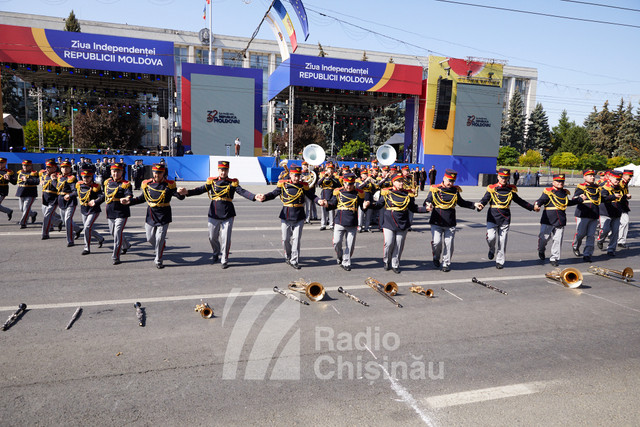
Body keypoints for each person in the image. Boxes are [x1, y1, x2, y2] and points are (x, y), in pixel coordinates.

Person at [178, 160, 256, 268]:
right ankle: (216, 252)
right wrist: (187, 192)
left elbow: (242, 191)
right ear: (218, 170)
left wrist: (254, 196)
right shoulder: (212, 182)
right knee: (212, 237)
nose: (223, 172)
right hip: (214, 213)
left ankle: (224, 259)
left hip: (228, 213)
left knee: (226, 238)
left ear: (228, 170)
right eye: (221, 170)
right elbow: (200, 190)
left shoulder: (232, 183)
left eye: (225, 170)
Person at [256, 165, 322, 269]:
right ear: (290, 175)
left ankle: (294, 260)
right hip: (286, 214)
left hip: (299, 215)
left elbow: (311, 195)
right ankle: (288, 255)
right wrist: (265, 197)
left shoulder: (303, 185)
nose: (297, 178)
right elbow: (274, 193)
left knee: (296, 239)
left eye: (299, 176)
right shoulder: (284, 185)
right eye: (295, 175)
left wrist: (319, 200)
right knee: (285, 239)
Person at [476, 168, 537, 269]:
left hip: (505, 218)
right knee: (491, 237)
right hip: (492, 217)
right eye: (502, 177)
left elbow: (520, 201)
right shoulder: (492, 188)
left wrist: (532, 208)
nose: (504, 179)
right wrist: (481, 205)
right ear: (498, 177)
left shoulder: (511, 190)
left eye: (506, 178)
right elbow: (485, 199)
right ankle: (491, 249)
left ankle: (500, 261)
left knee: (502, 241)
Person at [128, 163, 185, 268]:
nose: (157, 175)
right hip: (151, 214)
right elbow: (142, 198)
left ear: (163, 173)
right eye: (155, 172)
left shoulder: (169, 184)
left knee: (159, 238)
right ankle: (160, 247)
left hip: (164, 214)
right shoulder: (147, 184)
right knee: (149, 238)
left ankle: (158, 259)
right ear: (152, 172)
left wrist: (181, 193)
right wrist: (129, 202)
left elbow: (178, 196)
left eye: (160, 173)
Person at [424, 168, 478, 272]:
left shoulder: (455, 190)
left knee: (449, 244)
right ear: (444, 178)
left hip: (450, 222)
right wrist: (428, 204)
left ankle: (446, 263)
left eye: (452, 181)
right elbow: (428, 200)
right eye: (449, 180)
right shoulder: (435, 189)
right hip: (437, 220)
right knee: (437, 242)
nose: (451, 183)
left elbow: (462, 202)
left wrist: (474, 204)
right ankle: (436, 257)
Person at [374, 173, 425, 273]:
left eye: (402, 181)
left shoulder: (408, 194)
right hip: (389, 222)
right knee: (388, 243)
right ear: (393, 182)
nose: (401, 183)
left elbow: (413, 208)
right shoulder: (387, 193)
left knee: (399, 244)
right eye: (399, 181)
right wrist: (368, 205)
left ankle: (395, 263)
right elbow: (378, 205)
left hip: (402, 222)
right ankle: (386, 260)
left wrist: (425, 209)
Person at [321, 173, 370, 271]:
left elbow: (362, 205)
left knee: (350, 244)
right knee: (336, 242)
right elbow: (333, 204)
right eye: (347, 183)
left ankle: (346, 262)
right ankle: (340, 256)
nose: (348, 186)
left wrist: (365, 206)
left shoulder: (359, 193)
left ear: (354, 184)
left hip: (352, 222)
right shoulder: (338, 192)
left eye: (351, 184)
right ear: (343, 182)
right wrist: (327, 204)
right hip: (340, 220)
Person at [534, 173, 584, 266]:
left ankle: (554, 258)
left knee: (557, 240)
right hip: (548, 219)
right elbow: (541, 200)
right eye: (558, 181)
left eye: (562, 181)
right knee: (543, 238)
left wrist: (579, 200)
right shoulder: (548, 191)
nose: (560, 183)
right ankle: (541, 250)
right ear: (553, 182)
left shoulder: (564, 192)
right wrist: (537, 204)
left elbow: (567, 203)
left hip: (560, 220)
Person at [104, 163, 133, 265]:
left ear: (122, 172)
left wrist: (127, 198)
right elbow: (104, 195)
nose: (116, 173)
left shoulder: (126, 183)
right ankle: (126, 245)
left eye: (118, 171)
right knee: (113, 232)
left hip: (121, 211)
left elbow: (129, 194)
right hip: (111, 210)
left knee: (117, 233)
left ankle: (116, 256)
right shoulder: (107, 182)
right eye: (114, 171)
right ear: (111, 172)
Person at [571, 169, 601, 263]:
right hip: (583, 214)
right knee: (580, 234)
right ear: (584, 177)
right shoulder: (581, 187)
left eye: (593, 175)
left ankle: (587, 254)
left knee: (591, 235)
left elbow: (600, 199)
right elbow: (574, 198)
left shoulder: (597, 187)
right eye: (590, 175)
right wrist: (578, 198)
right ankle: (575, 246)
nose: (592, 177)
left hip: (594, 214)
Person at [75, 165, 105, 255]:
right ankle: (100, 238)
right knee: (87, 228)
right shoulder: (80, 185)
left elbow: (102, 196)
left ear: (91, 177)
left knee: (87, 227)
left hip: (94, 210)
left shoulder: (96, 186)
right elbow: (75, 193)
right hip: (84, 209)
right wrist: (68, 196)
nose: (86, 179)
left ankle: (86, 248)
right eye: (84, 177)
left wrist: (95, 201)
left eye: (88, 177)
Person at [596, 170, 626, 257]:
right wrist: (613, 196)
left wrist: (625, 197)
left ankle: (611, 249)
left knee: (615, 231)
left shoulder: (619, 187)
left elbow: (620, 198)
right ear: (610, 177)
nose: (617, 181)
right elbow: (602, 198)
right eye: (616, 179)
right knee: (605, 229)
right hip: (605, 211)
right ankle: (600, 240)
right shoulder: (603, 186)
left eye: (619, 179)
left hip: (616, 212)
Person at [55, 160, 82, 247]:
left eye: (67, 167)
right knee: (65, 221)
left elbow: (76, 191)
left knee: (67, 220)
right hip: (61, 200)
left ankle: (70, 240)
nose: (65, 169)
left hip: (70, 201)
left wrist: (69, 195)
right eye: (63, 167)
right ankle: (77, 229)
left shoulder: (72, 178)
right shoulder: (59, 177)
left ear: (70, 168)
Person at [39, 159, 63, 239]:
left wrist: (54, 180)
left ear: (55, 168)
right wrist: (40, 182)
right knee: (47, 215)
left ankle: (45, 234)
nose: (47, 169)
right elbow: (37, 180)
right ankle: (59, 222)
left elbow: (59, 187)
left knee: (47, 216)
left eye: (49, 167)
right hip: (45, 198)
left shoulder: (59, 176)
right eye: (47, 167)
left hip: (53, 199)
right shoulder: (44, 174)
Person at [317, 161, 341, 230]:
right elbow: (319, 183)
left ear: (333, 170)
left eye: (331, 169)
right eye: (329, 169)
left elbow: (338, 184)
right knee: (323, 209)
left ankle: (331, 225)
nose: (330, 170)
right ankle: (323, 224)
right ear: (326, 169)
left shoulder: (335, 177)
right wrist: (324, 177)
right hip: (324, 193)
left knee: (331, 210)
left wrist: (331, 178)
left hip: (331, 193)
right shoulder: (323, 175)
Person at [16, 159, 38, 228]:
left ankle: (23, 222)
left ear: (30, 166)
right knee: (22, 209)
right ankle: (33, 214)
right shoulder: (20, 172)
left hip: (30, 193)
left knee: (26, 208)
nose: (25, 167)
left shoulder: (34, 173)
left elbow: (37, 181)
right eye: (24, 165)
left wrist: (28, 180)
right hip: (22, 192)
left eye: (27, 165)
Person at [356, 168, 377, 232]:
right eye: (364, 174)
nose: (365, 175)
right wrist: (365, 182)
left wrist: (373, 183)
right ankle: (360, 226)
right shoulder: (358, 181)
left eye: (366, 174)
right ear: (361, 175)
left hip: (369, 198)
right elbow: (358, 188)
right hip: (362, 198)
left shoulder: (369, 181)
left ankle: (367, 227)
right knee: (361, 213)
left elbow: (374, 190)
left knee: (369, 213)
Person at [617, 169, 634, 249]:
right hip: (617, 204)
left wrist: (626, 197)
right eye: (629, 176)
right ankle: (603, 237)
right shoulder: (619, 182)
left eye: (631, 176)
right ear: (624, 175)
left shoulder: (625, 183)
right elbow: (618, 194)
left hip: (623, 205)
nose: (630, 178)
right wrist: (625, 196)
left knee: (625, 222)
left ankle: (621, 241)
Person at [0, 157, 16, 221]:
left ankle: (8, 211)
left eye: (2, 163)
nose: (0, 164)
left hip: (2, 190)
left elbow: (15, 182)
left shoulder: (9, 172)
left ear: (5, 163)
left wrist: (9, 178)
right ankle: (8, 211)